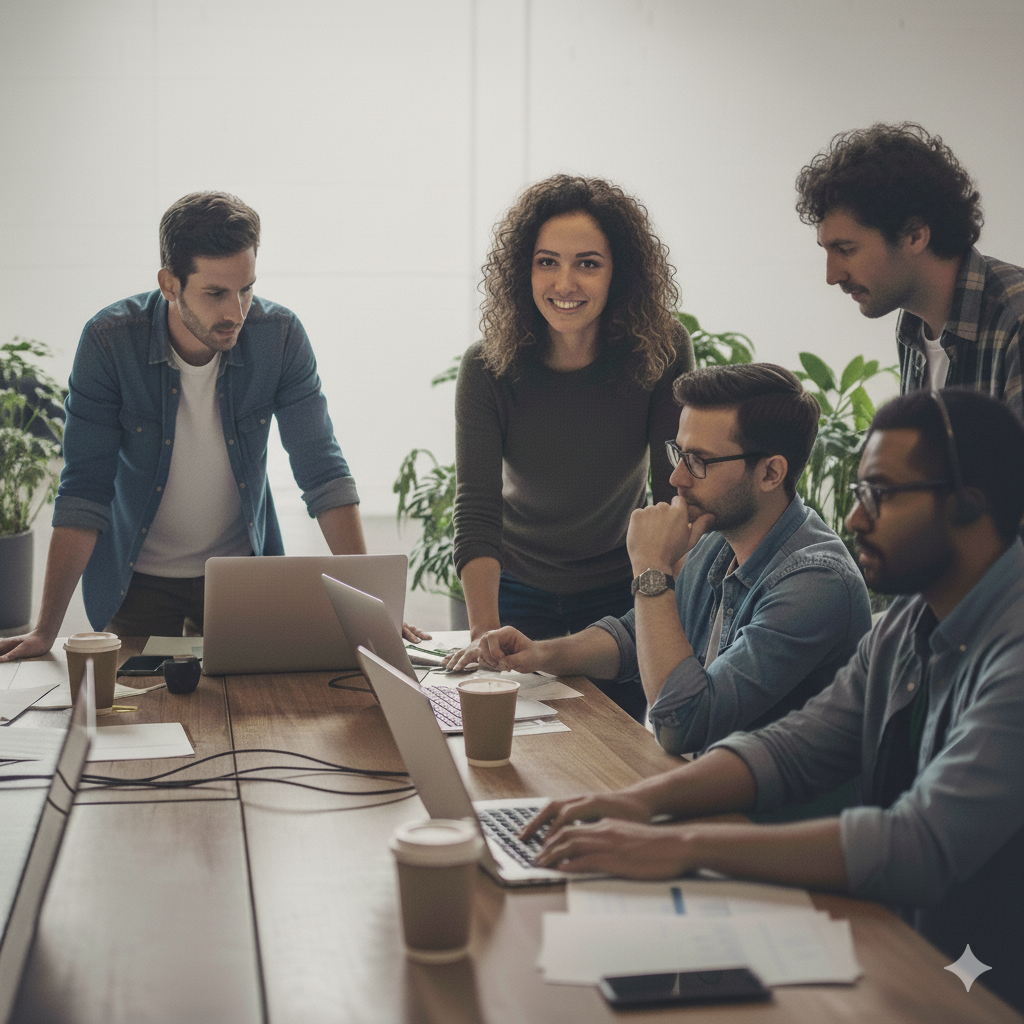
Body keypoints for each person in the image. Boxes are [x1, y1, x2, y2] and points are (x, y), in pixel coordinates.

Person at [523, 388, 1024, 1013]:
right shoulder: (909, 624)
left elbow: (918, 844)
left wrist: (678, 845)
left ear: (969, 505)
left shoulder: (1010, 648)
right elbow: (791, 749)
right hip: (916, 948)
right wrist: (630, 802)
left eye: (881, 495)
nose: (856, 519)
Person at [0, 191, 424, 662]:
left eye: (246, 289)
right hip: (137, 582)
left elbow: (322, 470)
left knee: (258, 714)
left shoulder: (279, 336)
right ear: (169, 283)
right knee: (140, 716)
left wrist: (374, 607)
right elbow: (85, 491)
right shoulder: (108, 342)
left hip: (241, 577)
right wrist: (44, 632)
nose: (236, 313)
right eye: (216, 293)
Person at [453, 363, 872, 755]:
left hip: (764, 827)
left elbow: (683, 725)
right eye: (680, 453)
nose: (676, 478)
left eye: (699, 461)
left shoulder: (815, 583)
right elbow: (635, 638)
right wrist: (542, 655)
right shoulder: (718, 541)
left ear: (770, 473)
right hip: (703, 801)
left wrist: (652, 567)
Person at [449, 175, 695, 720]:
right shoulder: (487, 367)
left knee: (623, 742)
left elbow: (675, 490)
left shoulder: (662, 350)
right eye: (546, 262)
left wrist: (666, 601)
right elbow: (477, 508)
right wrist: (485, 632)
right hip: (514, 581)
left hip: (618, 583)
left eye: (588, 263)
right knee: (512, 743)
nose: (565, 282)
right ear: (523, 271)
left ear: (619, 273)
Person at [796, 122, 1023, 422]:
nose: (832, 276)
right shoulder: (913, 325)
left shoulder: (1016, 318)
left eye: (846, 250)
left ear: (915, 236)